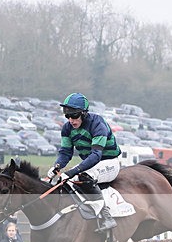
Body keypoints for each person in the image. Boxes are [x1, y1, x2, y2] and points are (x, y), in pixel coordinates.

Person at [46, 93, 122, 233]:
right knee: (66, 182)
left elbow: (96, 155)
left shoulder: (97, 124)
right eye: (67, 116)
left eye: (74, 116)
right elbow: (65, 153)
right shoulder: (67, 129)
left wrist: (70, 172)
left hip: (109, 162)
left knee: (84, 177)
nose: (71, 120)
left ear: (84, 113)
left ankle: (107, 217)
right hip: (91, 163)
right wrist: (56, 166)